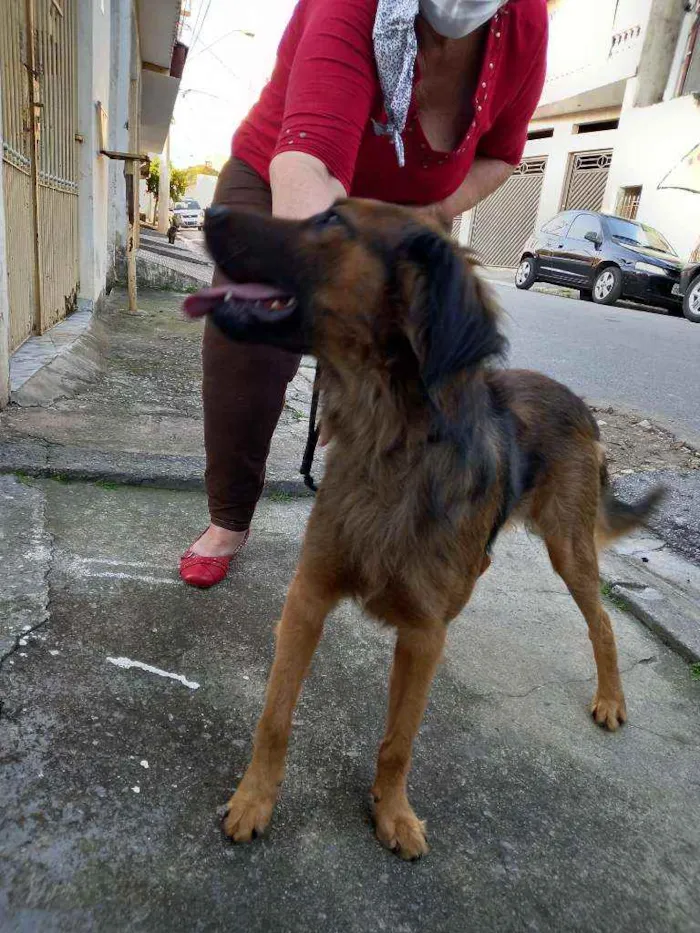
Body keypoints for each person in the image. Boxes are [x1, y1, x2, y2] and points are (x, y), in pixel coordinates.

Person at [179, 0, 549, 588]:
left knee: (396, 367)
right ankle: (229, 518)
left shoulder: (525, 22)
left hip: (408, 212)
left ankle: (361, 510)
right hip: (289, 179)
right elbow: (312, 162)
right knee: (248, 345)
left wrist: (431, 213)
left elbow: (502, 153)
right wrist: (328, 304)